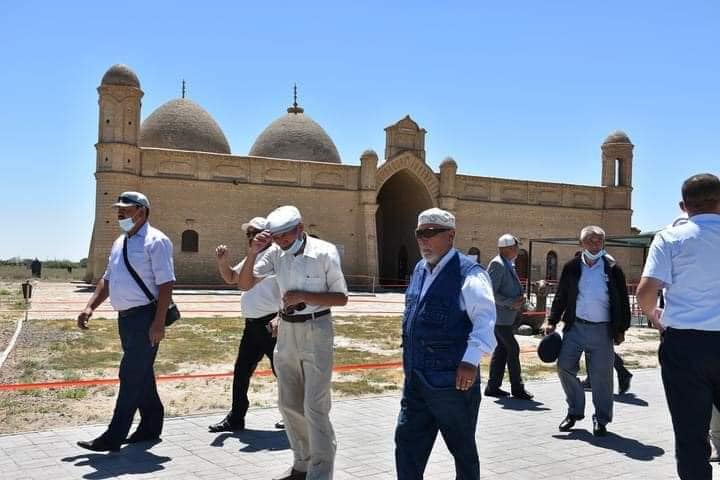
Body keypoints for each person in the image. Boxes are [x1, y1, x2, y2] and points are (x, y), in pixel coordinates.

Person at [238, 205, 348, 480]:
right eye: (276, 237)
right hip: (286, 330)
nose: (281, 242)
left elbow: (341, 297)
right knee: (288, 403)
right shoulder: (276, 252)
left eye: (285, 236)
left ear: (300, 228)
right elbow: (244, 283)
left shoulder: (324, 252)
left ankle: (321, 473)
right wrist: (253, 251)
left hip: (317, 328)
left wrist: (303, 296)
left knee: (315, 406)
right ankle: (302, 464)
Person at [394, 208, 497, 480]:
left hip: (452, 382)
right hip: (415, 379)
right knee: (407, 444)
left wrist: (470, 360)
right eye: (419, 234)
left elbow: (485, 320)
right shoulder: (419, 270)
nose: (423, 240)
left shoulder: (469, 274)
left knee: (462, 450)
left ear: (450, 235)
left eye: (431, 233)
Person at [76, 191, 175, 452]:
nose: (119, 213)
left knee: (130, 374)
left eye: (126, 209)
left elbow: (166, 285)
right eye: (118, 209)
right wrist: (90, 306)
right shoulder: (120, 242)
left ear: (141, 212)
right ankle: (151, 427)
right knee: (141, 374)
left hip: (146, 318)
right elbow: (107, 279)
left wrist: (158, 323)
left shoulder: (156, 241)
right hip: (126, 319)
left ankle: (114, 435)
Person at [637, 173, 720, 480]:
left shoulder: (669, 238)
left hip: (684, 346)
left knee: (690, 436)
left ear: (683, 206)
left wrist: (656, 317)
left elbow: (645, 293)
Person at [545, 225, 630, 436]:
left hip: (603, 330)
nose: (595, 244)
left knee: (602, 377)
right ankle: (575, 411)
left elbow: (623, 300)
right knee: (564, 366)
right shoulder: (572, 267)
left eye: (599, 240)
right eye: (590, 240)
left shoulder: (612, 268)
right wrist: (552, 320)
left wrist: (621, 329)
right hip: (575, 327)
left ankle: (601, 420)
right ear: (581, 243)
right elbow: (562, 295)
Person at [209, 216, 283, 433]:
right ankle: (236, 418)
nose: (251, 237)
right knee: (241, 372)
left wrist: (280, 315)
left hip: (272, 324)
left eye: (255, 232)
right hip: (252, 326)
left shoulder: (272, 255)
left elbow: (247, 283)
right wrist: (223, 261)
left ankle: (295, 416)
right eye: (248, 234)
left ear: (268, 234)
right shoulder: (254, 256)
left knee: (284, 374)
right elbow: (233, 277)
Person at [485, 233, 533, 400]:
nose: (517, 250)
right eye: (515, 247)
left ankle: (493, 386)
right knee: (513, 348)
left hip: (505, 317)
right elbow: (489, 292)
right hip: (499, 318)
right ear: (507, 248)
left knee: (503, 349)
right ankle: (517, 388)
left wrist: (517, 301)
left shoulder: (506, 264)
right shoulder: (498, 265)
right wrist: (510, 302)